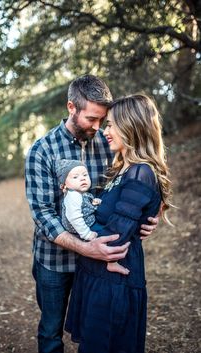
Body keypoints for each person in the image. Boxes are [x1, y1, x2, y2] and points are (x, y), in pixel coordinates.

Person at [25, 75, 159, 353]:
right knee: (51, 331)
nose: (98, 127)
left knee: (92, 331)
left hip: (99, 268)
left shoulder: (108, 144)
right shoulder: (42, 150)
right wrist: (87, 247)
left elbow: (124, 192)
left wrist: (146, 218)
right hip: (56, 261)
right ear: (71, 107)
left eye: (103, 120)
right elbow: (43, 214)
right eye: (91, 119)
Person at [65, 93, 172, 353]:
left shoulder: (141, 172)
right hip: (100, 272)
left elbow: (115, 236)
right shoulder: (124, 169)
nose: (105, 131)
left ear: (132, 126)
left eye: (112, 124)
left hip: (116, 280)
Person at [56, 158, 130, 274]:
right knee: (108, 235)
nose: (82, 178)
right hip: (84, 227)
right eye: (75, 177)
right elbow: (74, 218)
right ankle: (112, 263)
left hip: (87, 223)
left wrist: (94, 202)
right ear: (64, 184)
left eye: (85, 175)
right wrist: (86, 234)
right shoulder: (73, 197)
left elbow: (85, 203)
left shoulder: (79, 193)